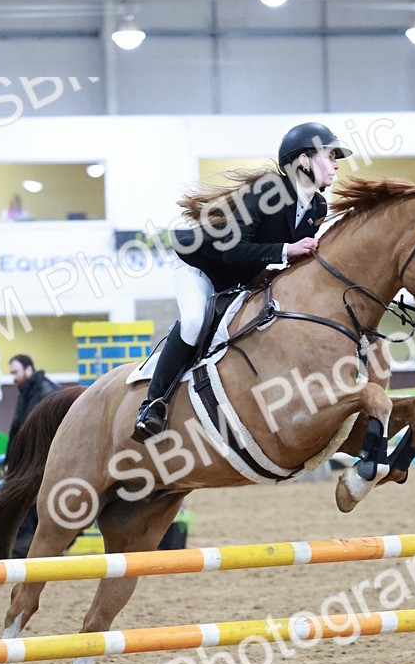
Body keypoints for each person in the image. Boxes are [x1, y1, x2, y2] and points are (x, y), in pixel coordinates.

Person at [133, 121, 349, 440]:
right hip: (203, 267)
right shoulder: (267, 192)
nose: (334, 164)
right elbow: (233, 250)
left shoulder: (318, 206)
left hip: (243, 279)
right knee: (194, 321)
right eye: (330, 156)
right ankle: (152, 405)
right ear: (303, 160)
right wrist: (286, 249)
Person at [6, 355, 59, 557]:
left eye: (15, 372)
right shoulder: (27, 391)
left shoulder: (45, 391)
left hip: (39, 460)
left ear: (28, 370)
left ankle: (30, 548)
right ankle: (27, 548)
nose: (13, 377)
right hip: (29, 460)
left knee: (34, 504)